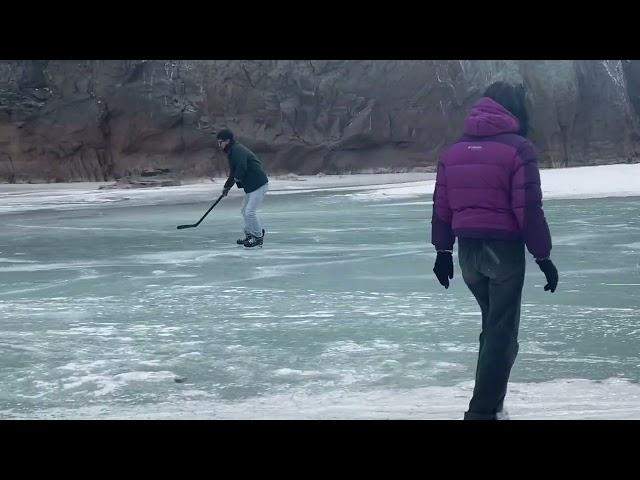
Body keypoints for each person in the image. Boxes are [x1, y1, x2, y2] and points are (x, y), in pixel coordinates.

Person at [430, 81, 559, 420]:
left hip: (468, 252)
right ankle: (482, 412)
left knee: (494, 329)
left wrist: (443, 253)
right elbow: (529, 209)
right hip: (503, 251)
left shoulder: (453, 151)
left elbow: (441, 208)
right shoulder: (519, 148)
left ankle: (493, 406)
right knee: (502, 335)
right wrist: (543, 257)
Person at [216, 129, 269, 248]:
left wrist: (237, 178)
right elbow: (233, 172)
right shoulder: (232, 151)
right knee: (244, 211)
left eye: (221, 142)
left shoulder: (237, 150)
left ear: (227, 141)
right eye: (218, 142)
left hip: (258, 184)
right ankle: (250, 234)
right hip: (251, 186)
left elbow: (241, 167)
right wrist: (226, 187)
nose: (219, 145)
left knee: (250, 212)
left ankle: (258, 237)